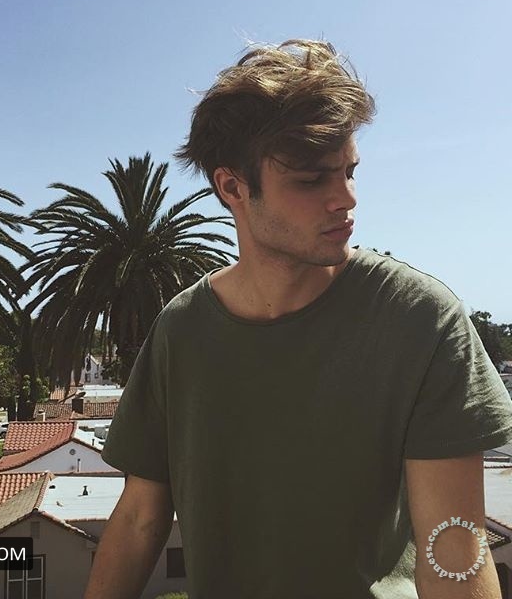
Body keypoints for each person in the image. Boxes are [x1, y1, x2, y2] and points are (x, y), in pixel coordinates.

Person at [84, 39, 512, 599]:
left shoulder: (421, 320)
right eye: (312, 180)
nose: (346, 199)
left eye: (349, 172)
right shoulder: (180, 331)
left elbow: (452, 543)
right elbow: (140, 517)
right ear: (233, 187)